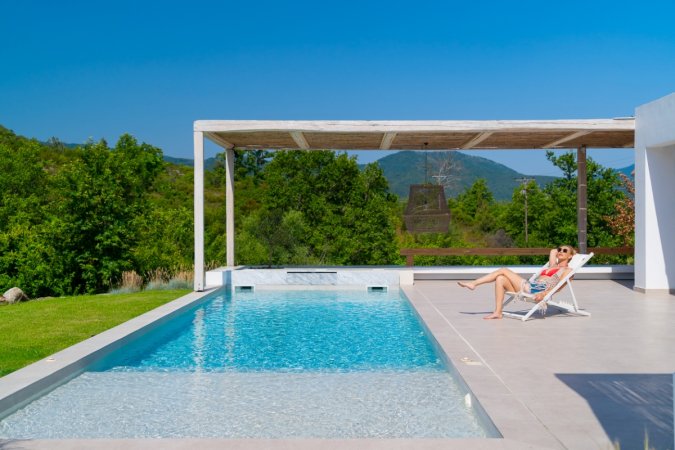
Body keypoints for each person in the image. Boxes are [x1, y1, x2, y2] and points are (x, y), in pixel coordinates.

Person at [458, 246, 576, 320]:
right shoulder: (553, 265)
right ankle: (498, 312)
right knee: (500, 278)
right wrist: (561, 251)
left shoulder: (567, 271)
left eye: (564, 251)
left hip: (536, 289)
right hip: (529, 286)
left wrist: (544, 294)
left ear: (570, 256)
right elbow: (552, 251)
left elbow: (559, 287)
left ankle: (474, 284)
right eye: (560, 249)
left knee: (504, 269)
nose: (560, 251)